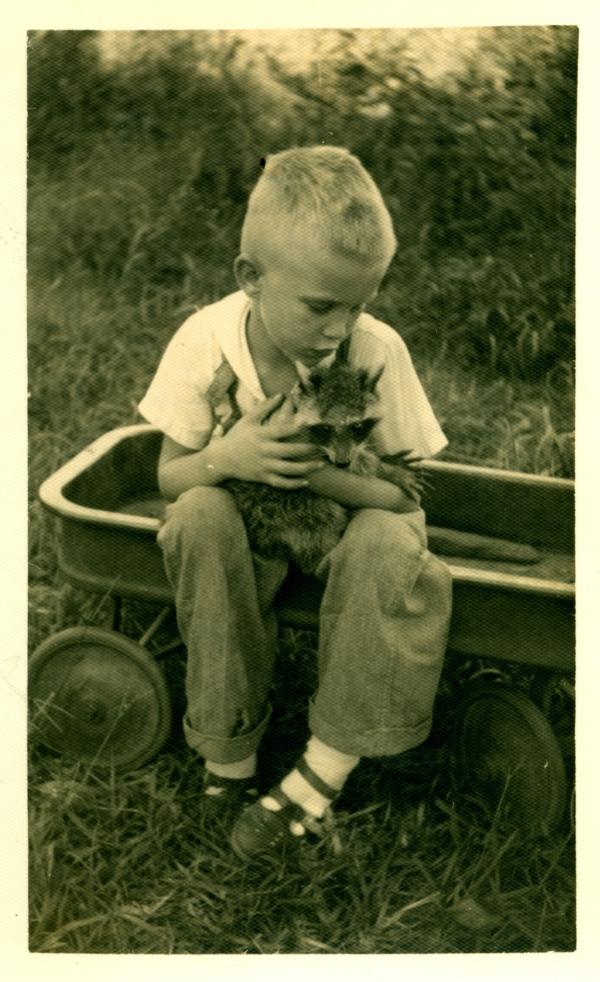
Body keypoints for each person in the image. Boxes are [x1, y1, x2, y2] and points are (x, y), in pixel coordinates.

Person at [138, 146, 453, 861]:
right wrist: (232, 459)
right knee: (197, 513)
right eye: (320, 305)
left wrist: (322, 476)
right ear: (251, 278)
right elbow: (170, 476)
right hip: (248, 538)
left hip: (343, 536)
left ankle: (316, 779)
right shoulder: (205, 342)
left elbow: (406, 499)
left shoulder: (375, 352)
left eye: (359, 304)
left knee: (390, 544)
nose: (339, 328)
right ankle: (230, 761)